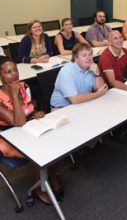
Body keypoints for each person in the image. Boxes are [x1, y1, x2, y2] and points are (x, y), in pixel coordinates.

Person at [0, 57, 62, 205]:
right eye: (8, 72)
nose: (14, 74)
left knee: (54, 139)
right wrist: (14, 94)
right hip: (6, 136)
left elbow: (29, 108)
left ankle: (52, 177)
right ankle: (40, 188)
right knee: (38, 150)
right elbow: (18, 122)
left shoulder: (24, 85)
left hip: (26, 128)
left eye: (15, 69)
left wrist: (35, 113)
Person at [50, 43, 108, 109]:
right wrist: (97, 94)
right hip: (62, 109)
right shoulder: (66, 71)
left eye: (90, 54)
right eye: (84, 55)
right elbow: (75, 99)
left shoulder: (91, 67)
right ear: (76, 58)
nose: (88, 58)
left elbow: (102, 89)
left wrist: (97, 74)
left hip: (83, 104)